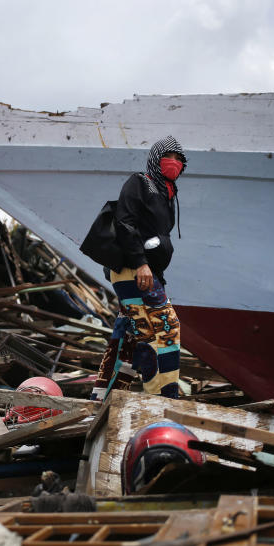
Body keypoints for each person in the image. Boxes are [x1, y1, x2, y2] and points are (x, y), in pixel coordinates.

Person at [92, 137, 186, 400]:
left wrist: (157, 275)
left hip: (144, 274)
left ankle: (102, 400)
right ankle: (164, 400)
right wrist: (141, 263)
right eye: (169, 156)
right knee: (167, 327)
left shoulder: (168, 194)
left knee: (129, 337)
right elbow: (125, 223)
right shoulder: (139, 183)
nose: (175, 163)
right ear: (156, 158)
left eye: (180, 159)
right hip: (130, 269)